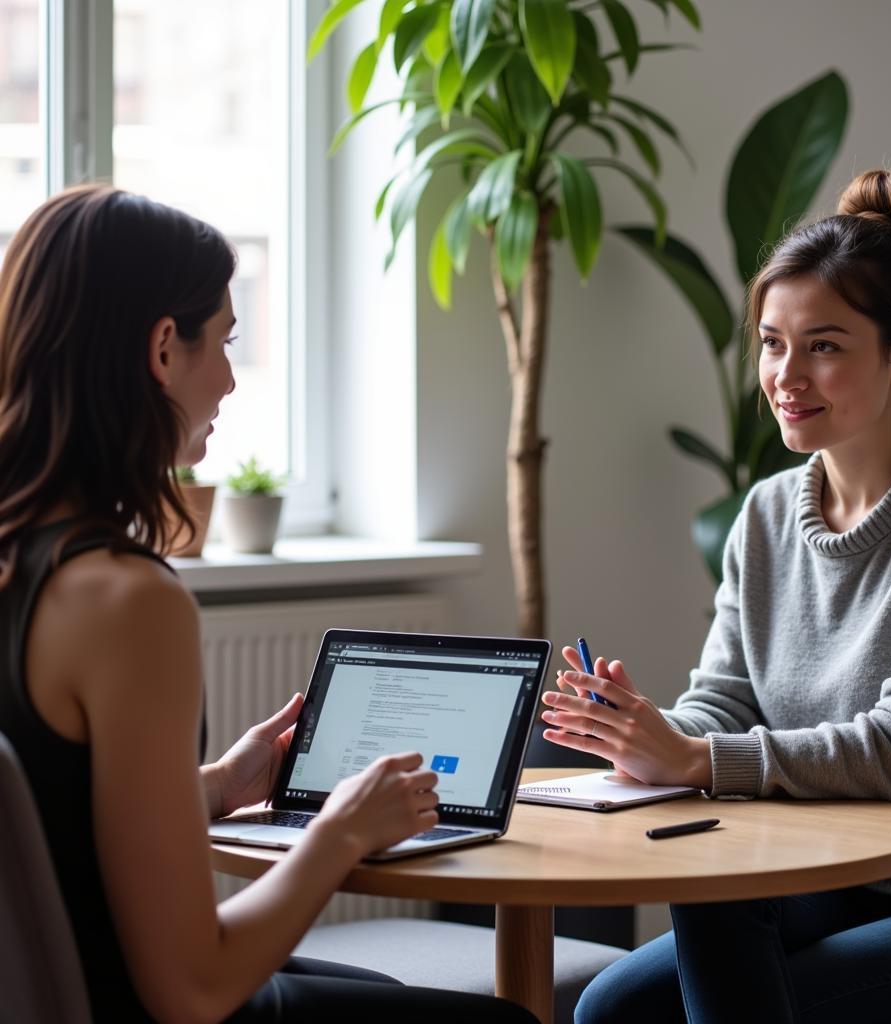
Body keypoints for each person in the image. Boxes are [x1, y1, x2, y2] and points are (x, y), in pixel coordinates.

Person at [0, 184, 537, 1024]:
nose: (227, 381)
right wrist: (343, 832)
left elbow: (54, 819)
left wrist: (213, 788)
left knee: (379, 994)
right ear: (163, 348)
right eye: (225, 341)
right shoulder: (128, 601)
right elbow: (192, 989)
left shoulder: (20, 562)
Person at [540, 158, 891, 1024]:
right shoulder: (764, 515)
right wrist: (645, 733)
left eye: (825, 346)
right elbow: (724, 703)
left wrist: (695, 761)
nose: (786, 377)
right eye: (772, 342)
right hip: (827, 872)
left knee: (751, 992)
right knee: (612, 1010)